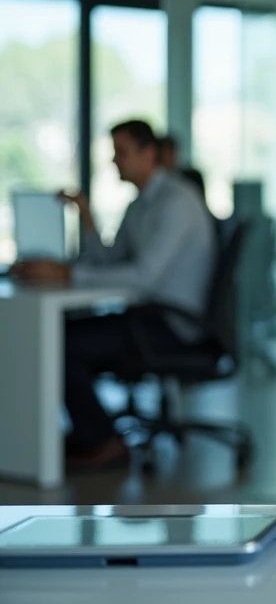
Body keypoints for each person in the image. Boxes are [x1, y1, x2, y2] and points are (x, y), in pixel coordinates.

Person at [13, 120, 217, 471]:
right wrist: (86, 214)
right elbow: (111, 259)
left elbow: (144, 277)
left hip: (173, 324)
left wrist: (69, 274)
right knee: (66, 331)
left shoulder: (177, 201)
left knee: (65, 342)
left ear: (148, 153)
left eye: (121, 152)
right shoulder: (140, 205)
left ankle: (102, 441)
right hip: (147, 315)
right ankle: (87, 434)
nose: (113, 161)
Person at [158, 133, 207, 202]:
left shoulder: (193, 178)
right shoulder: (155, 184)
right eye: (164, 153)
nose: (167, 158)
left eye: (171, 153)